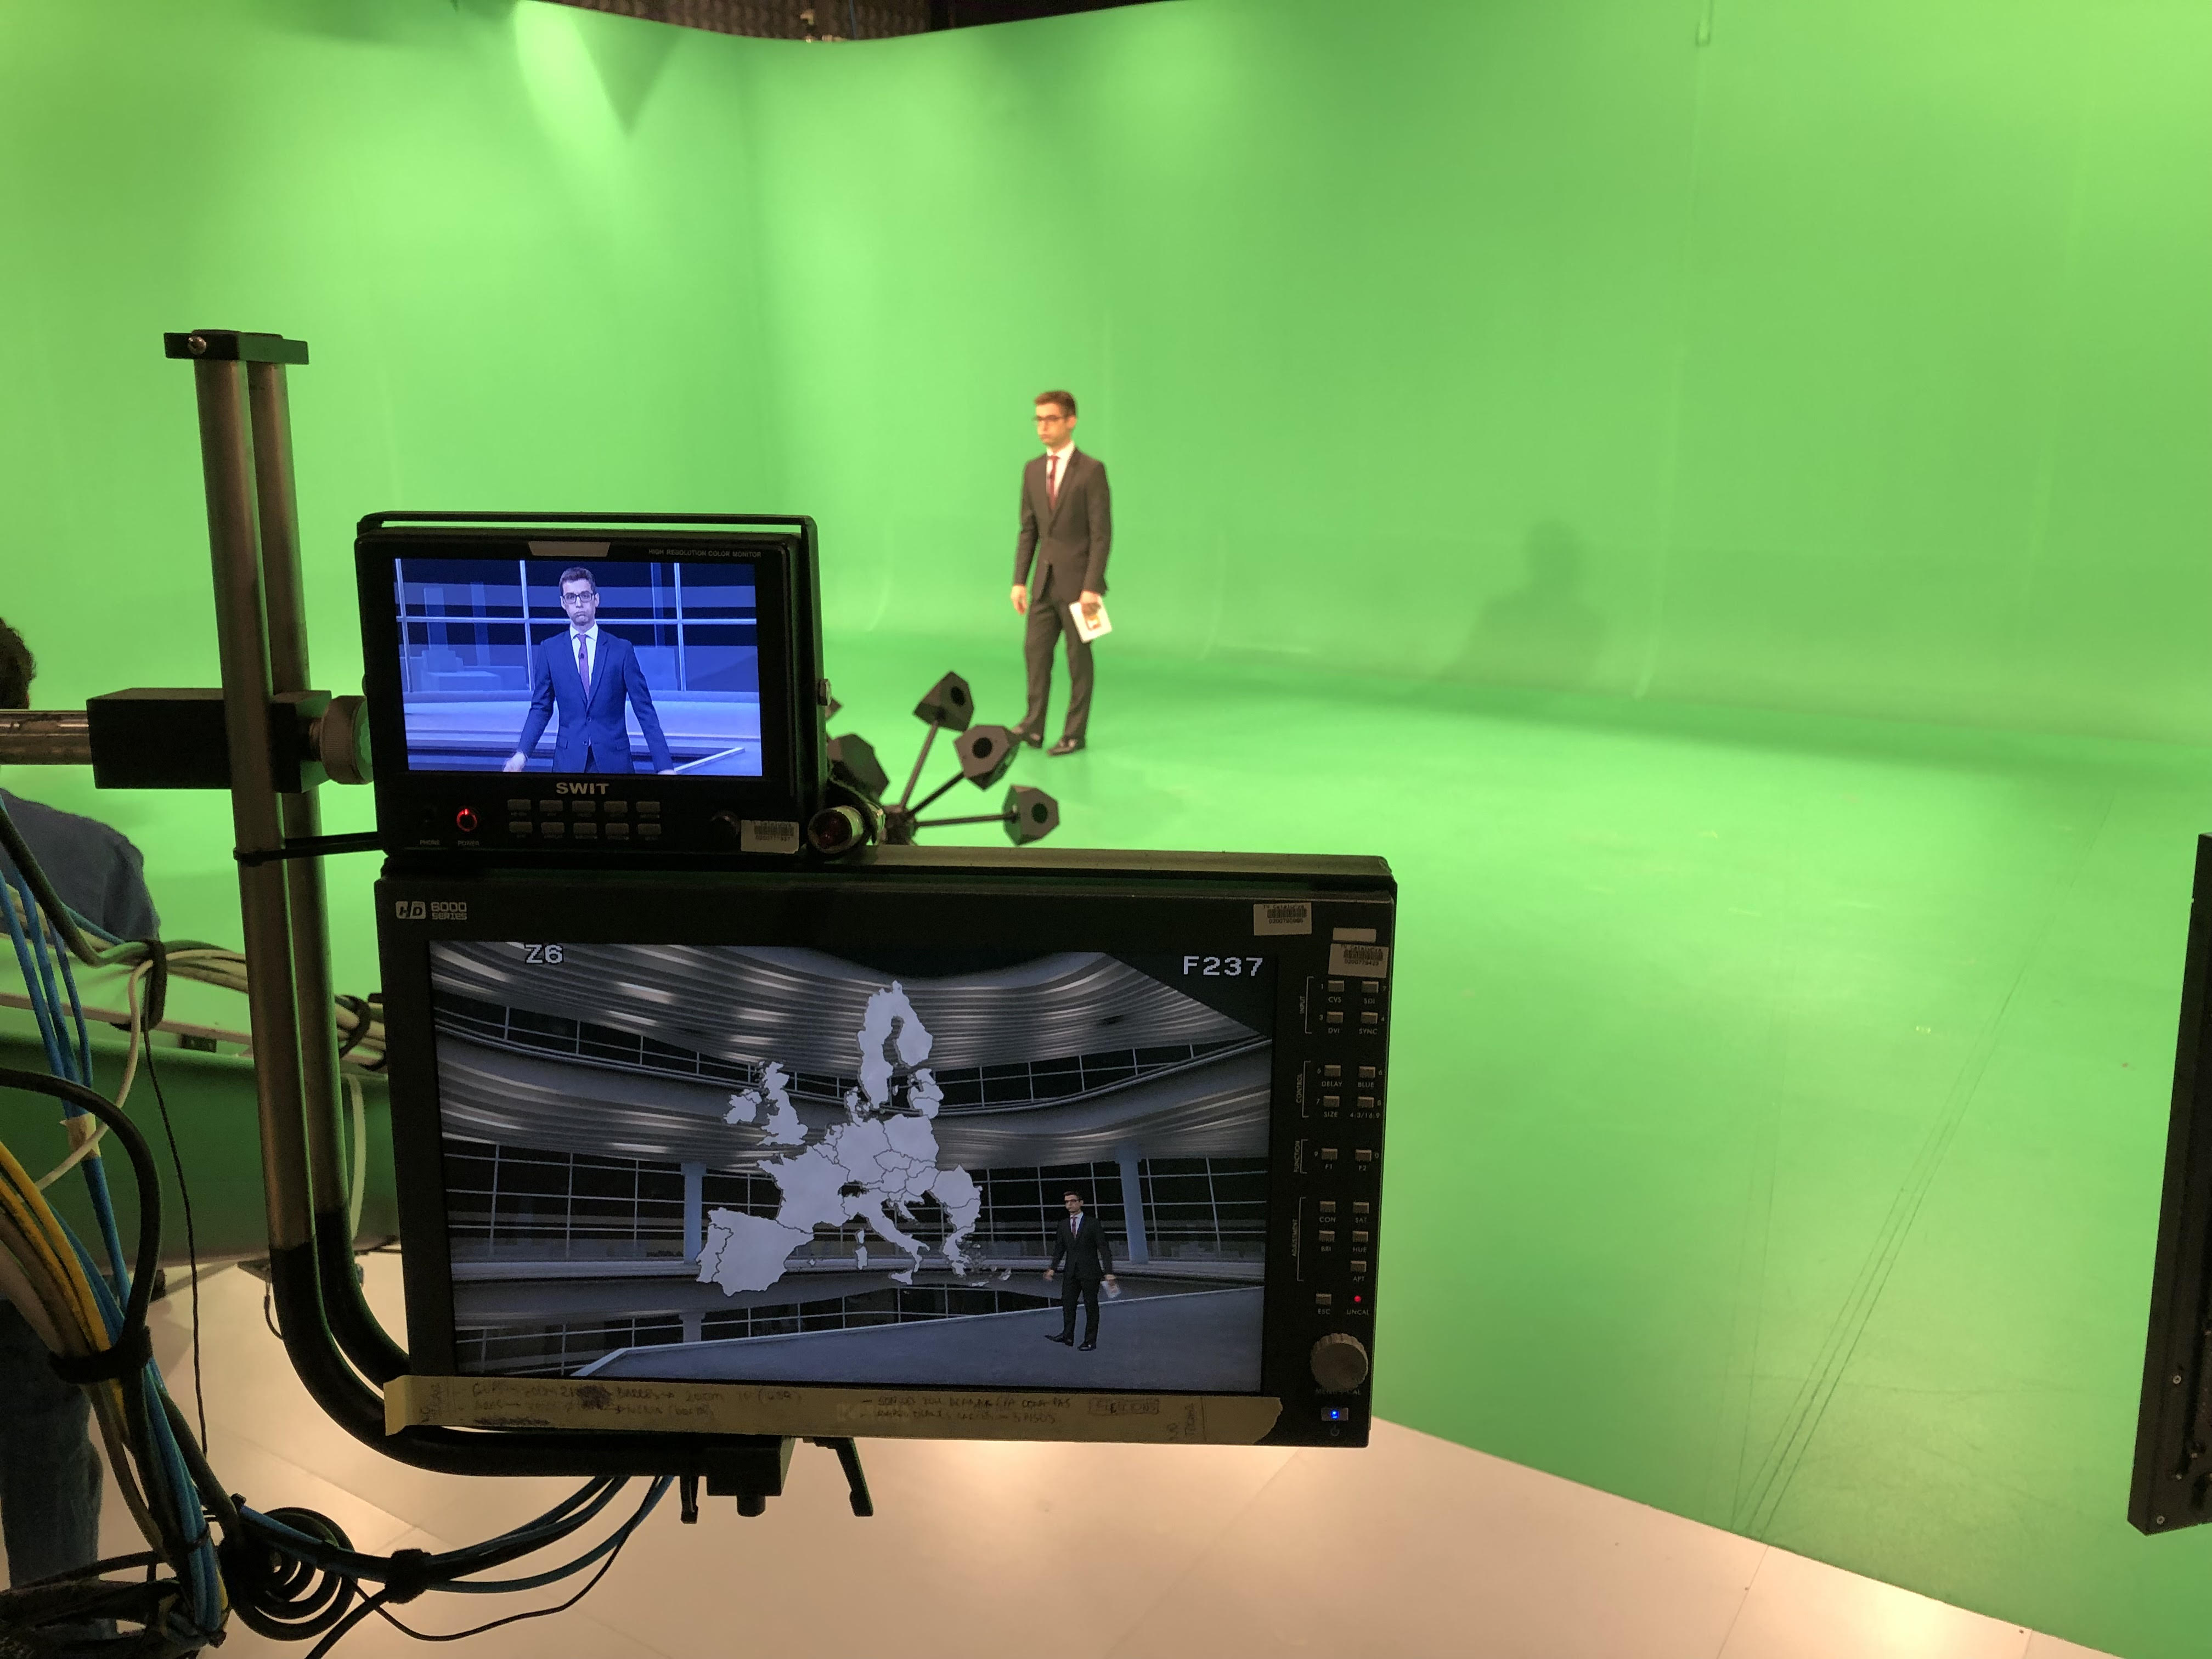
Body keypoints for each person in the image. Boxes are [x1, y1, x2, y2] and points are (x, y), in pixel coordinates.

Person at [0, 616, 160, 1600]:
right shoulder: (94, 857)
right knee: (46, 1425)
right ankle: (66, 1629)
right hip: (46, 1225)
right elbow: (141, 1057)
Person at [1010, 391, 1111, 757]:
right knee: (1035, 655)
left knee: (1078, 661)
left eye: (1051, 419)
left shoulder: (1091, 471)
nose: (1043, 427)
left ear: (1071, 421)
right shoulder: (1032, 470)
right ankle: (1033, 726)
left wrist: (1092, 588)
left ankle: (1074, 733)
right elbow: (1029, 530)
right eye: (1038, 419)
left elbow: (1101, 534)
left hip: (1080, 588)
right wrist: (1019, 581)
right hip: (1043, 583)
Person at [503, 566, 675, 775]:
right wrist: (522, 754)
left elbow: (645, 710)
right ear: (563, 603)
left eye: (585, 595)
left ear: (596, 599)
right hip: (568, 765)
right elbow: (541, 708)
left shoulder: (621, 650)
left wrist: (664, 767)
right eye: (571, 597)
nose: (579, 603)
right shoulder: (550, 650)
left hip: (615, 764)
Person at [1042, 1188, 1116, 1351]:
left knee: (1091, 1306)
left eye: (1073, 1201)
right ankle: (1067, 1336)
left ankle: (1090, 1341)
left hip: (1090, 1272)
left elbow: (1104, 1249)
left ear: (1081, 1203)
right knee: (1068, 1304)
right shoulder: (1063, 1225)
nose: (1069, 1205)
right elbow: (1060, 1249)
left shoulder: (1093, 1223)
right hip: (1071, 1272)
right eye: (1067, 1202)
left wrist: (1109, 1272)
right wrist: (1052, 1268)